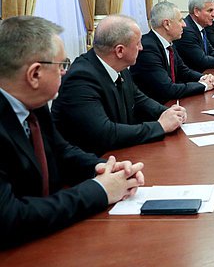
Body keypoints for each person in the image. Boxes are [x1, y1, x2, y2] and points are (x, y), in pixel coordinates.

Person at [0, 16, 144, 248]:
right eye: (61, 65)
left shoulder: (33, 104)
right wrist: (99, 190)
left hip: (50, 237)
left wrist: (104, 168)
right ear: (34, 74)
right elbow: (9, 217)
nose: (64, 72)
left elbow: (62, 153)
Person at [52, 15, 187, 156]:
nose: (141, 48)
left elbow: (139, 98)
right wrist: (160, 126)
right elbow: (105, 133)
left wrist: (168, 112)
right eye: (138, 43)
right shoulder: (80, 79)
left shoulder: (119, 66)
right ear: (120, 51)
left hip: (120, 154)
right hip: (93, 164)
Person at [130, 2, 214, 104]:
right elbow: (168, 89)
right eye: (180, 20)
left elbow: (184, 71)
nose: (184, 25)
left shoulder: (169, 43)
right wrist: (204, 85)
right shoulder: (148, 48)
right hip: (156, 110)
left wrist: (204, 78)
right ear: (167, 24)